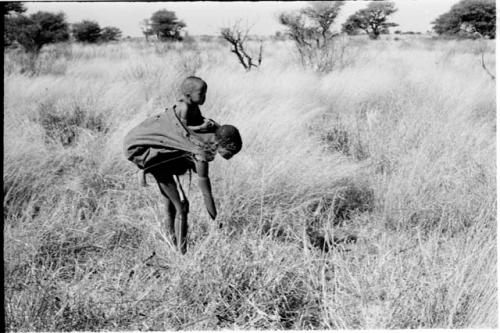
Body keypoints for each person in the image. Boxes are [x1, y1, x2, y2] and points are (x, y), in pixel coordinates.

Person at [123, 83, 242, 254]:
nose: (230, 157)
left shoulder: (209, 131)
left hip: (164, 158)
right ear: (222, 144)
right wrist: (215, 218)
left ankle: (171, 243)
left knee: (170, 202)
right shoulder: (202, 148)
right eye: (229, 152)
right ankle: (181, 253)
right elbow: (205, 191)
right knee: (181, 208)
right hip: (153, 157)